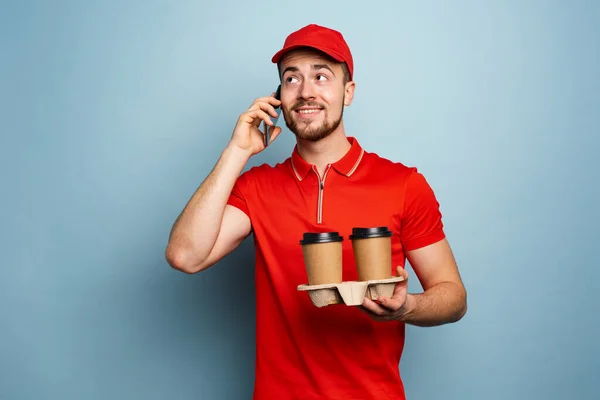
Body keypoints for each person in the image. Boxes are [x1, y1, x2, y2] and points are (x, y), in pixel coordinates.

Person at [166, 23, 467, 400]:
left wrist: (406, 307)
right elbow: (184, 255)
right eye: (292, 78)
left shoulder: (403, 184)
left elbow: (453, 297)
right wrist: (236, 152)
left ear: (348, 91)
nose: (306, 91)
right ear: (279, 97)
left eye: (321, 76)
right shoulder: (257, 187)